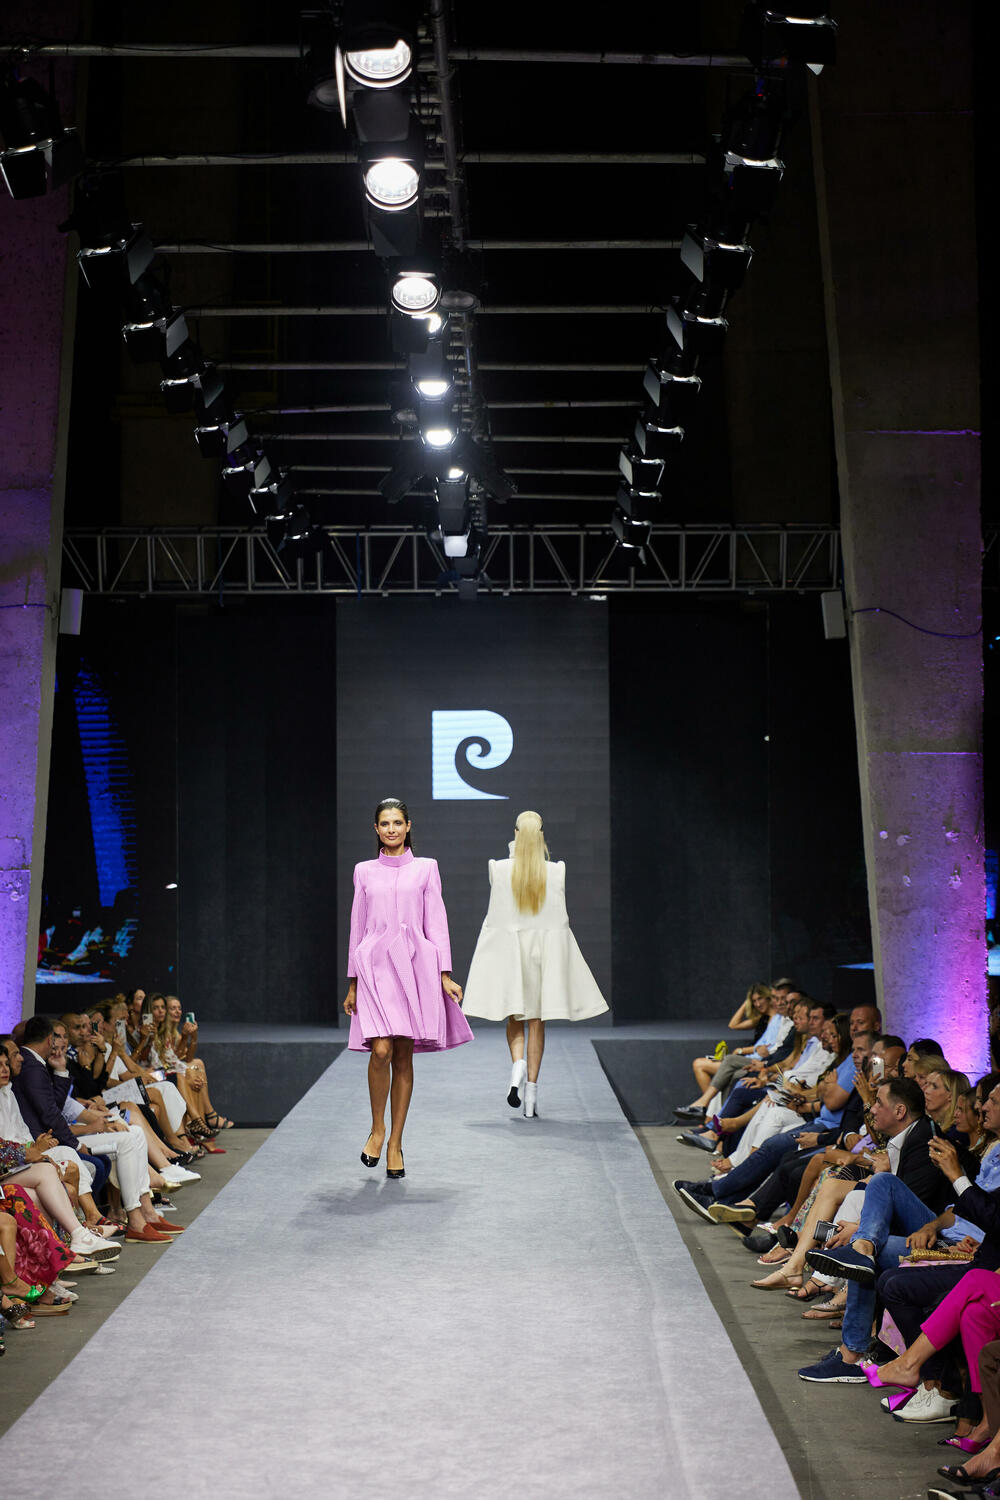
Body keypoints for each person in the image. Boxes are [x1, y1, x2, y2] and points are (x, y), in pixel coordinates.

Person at [343, 798, 473, 1178]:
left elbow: (437, 923)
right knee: (380, 1049)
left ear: (408, 826)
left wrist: (444, 974)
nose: (392, 829)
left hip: (415, 966)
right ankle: (377, 1129)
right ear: (376, 829)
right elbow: (357, 926)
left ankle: (395, 1143)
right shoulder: (364, 871)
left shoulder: (426, 868)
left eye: (397, 823)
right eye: (385, 823)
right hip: (375, 967)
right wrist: (352, 983)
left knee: (402, 1055)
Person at [462, 810, 608, 1117]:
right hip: (542, 959)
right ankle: (531, 1097)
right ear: (541, 836)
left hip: (511, 957)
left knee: (514, 1020)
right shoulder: (556, 871)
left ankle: (517, 1066)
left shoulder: (498, 869)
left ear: (515, 834)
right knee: (537, 1023)